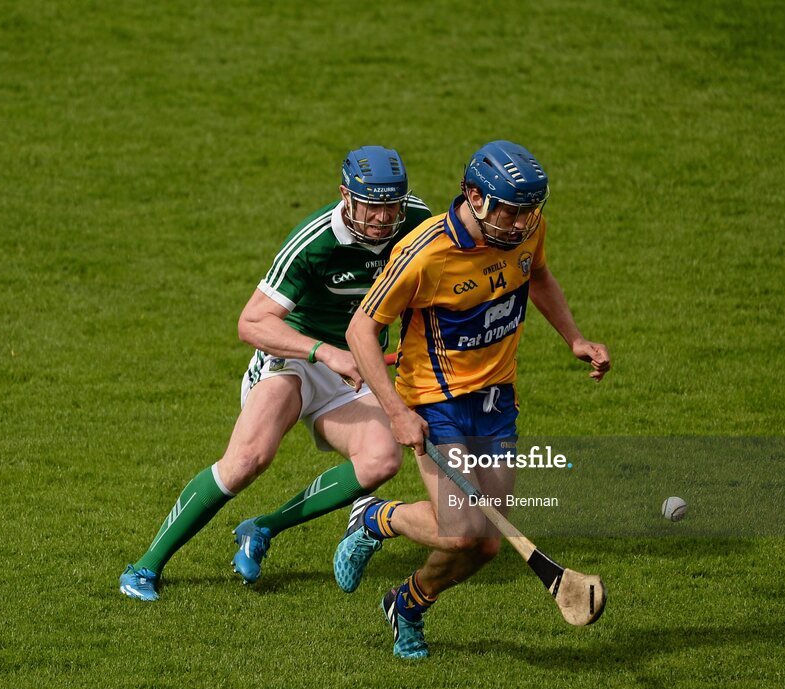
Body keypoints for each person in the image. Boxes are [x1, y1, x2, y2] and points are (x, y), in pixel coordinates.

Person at [119, 146, 432, 601]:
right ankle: (144, 567)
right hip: (295, 358)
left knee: (382, 461)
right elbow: (252, 322)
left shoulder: (418, 222)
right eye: (373, 206)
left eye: (392, 207)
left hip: (357, 368)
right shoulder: (313, 242)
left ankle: (263, 528)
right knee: (247, 461)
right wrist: (324, 353)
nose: (383, 220)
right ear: (346, 196)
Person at [338, 140, 611, 658]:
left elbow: (540, 277)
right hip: (433, 401)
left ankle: (408, 605)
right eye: (511, 210)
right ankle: (377, 517)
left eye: (530, 211)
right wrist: (397, 412)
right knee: (463, 532)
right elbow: (359, 330)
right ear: (474, 196)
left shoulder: (527, 233)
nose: (521, 222)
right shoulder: (424, 255)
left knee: (487, 543)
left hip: (495, 401)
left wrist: (574, 338)